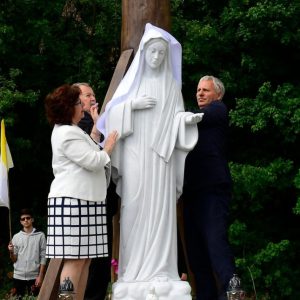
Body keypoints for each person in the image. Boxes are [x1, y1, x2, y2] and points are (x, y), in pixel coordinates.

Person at [97, 23, 202, 299]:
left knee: (161, 212)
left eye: (161, 53)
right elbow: (111, 115)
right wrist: (132, 105)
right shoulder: (133, 83)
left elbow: (177, 117)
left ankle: (162, 270)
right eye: (153, 52)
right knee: (133, 209)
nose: (156, 58)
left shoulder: (171, 85)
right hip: (135, 156)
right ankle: (131, 272)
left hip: (162, 159)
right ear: (144, 54)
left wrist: (186, 121)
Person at [44, 84, 118, 300]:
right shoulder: (66, 133)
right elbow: (93, 160)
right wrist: (109, 147)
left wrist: (97, 128)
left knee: (85, 259)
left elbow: (91, 147)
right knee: (75, 260)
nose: (82, 107)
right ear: (68, 107)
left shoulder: (74, 131)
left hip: (87, 202)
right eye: (78, 103)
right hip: (72, 203)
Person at [182, 75, 236, 300]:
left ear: (218, 95)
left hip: (212, 190)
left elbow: (192, 118)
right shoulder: (194, 119)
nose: (200, 93)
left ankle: (233, 291)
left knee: (215, 244)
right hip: (191, 192)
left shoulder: (217, 111)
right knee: (196, 255)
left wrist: (175, 116)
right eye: (198, 90)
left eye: (205, 90)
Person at [72, 82, 118, 300]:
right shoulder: (76, 124)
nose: (92, 98)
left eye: (93, 94)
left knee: (101, 262)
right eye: (87, 95)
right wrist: (99, 130)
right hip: (86, 201)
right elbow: (91, 158)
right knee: (85, 262)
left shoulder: (97, 118)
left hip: (103, 199)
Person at [8, 208, 47, 298]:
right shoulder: (16, 237)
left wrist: (40, 276)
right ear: (21, 222)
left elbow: (43, 257)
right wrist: (11, 252)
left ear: (32, 219)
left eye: (28, 218)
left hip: (34, 276)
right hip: (18, 276)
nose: (25, 220)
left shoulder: (40, 235)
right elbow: (14, 259)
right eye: (23, 219)